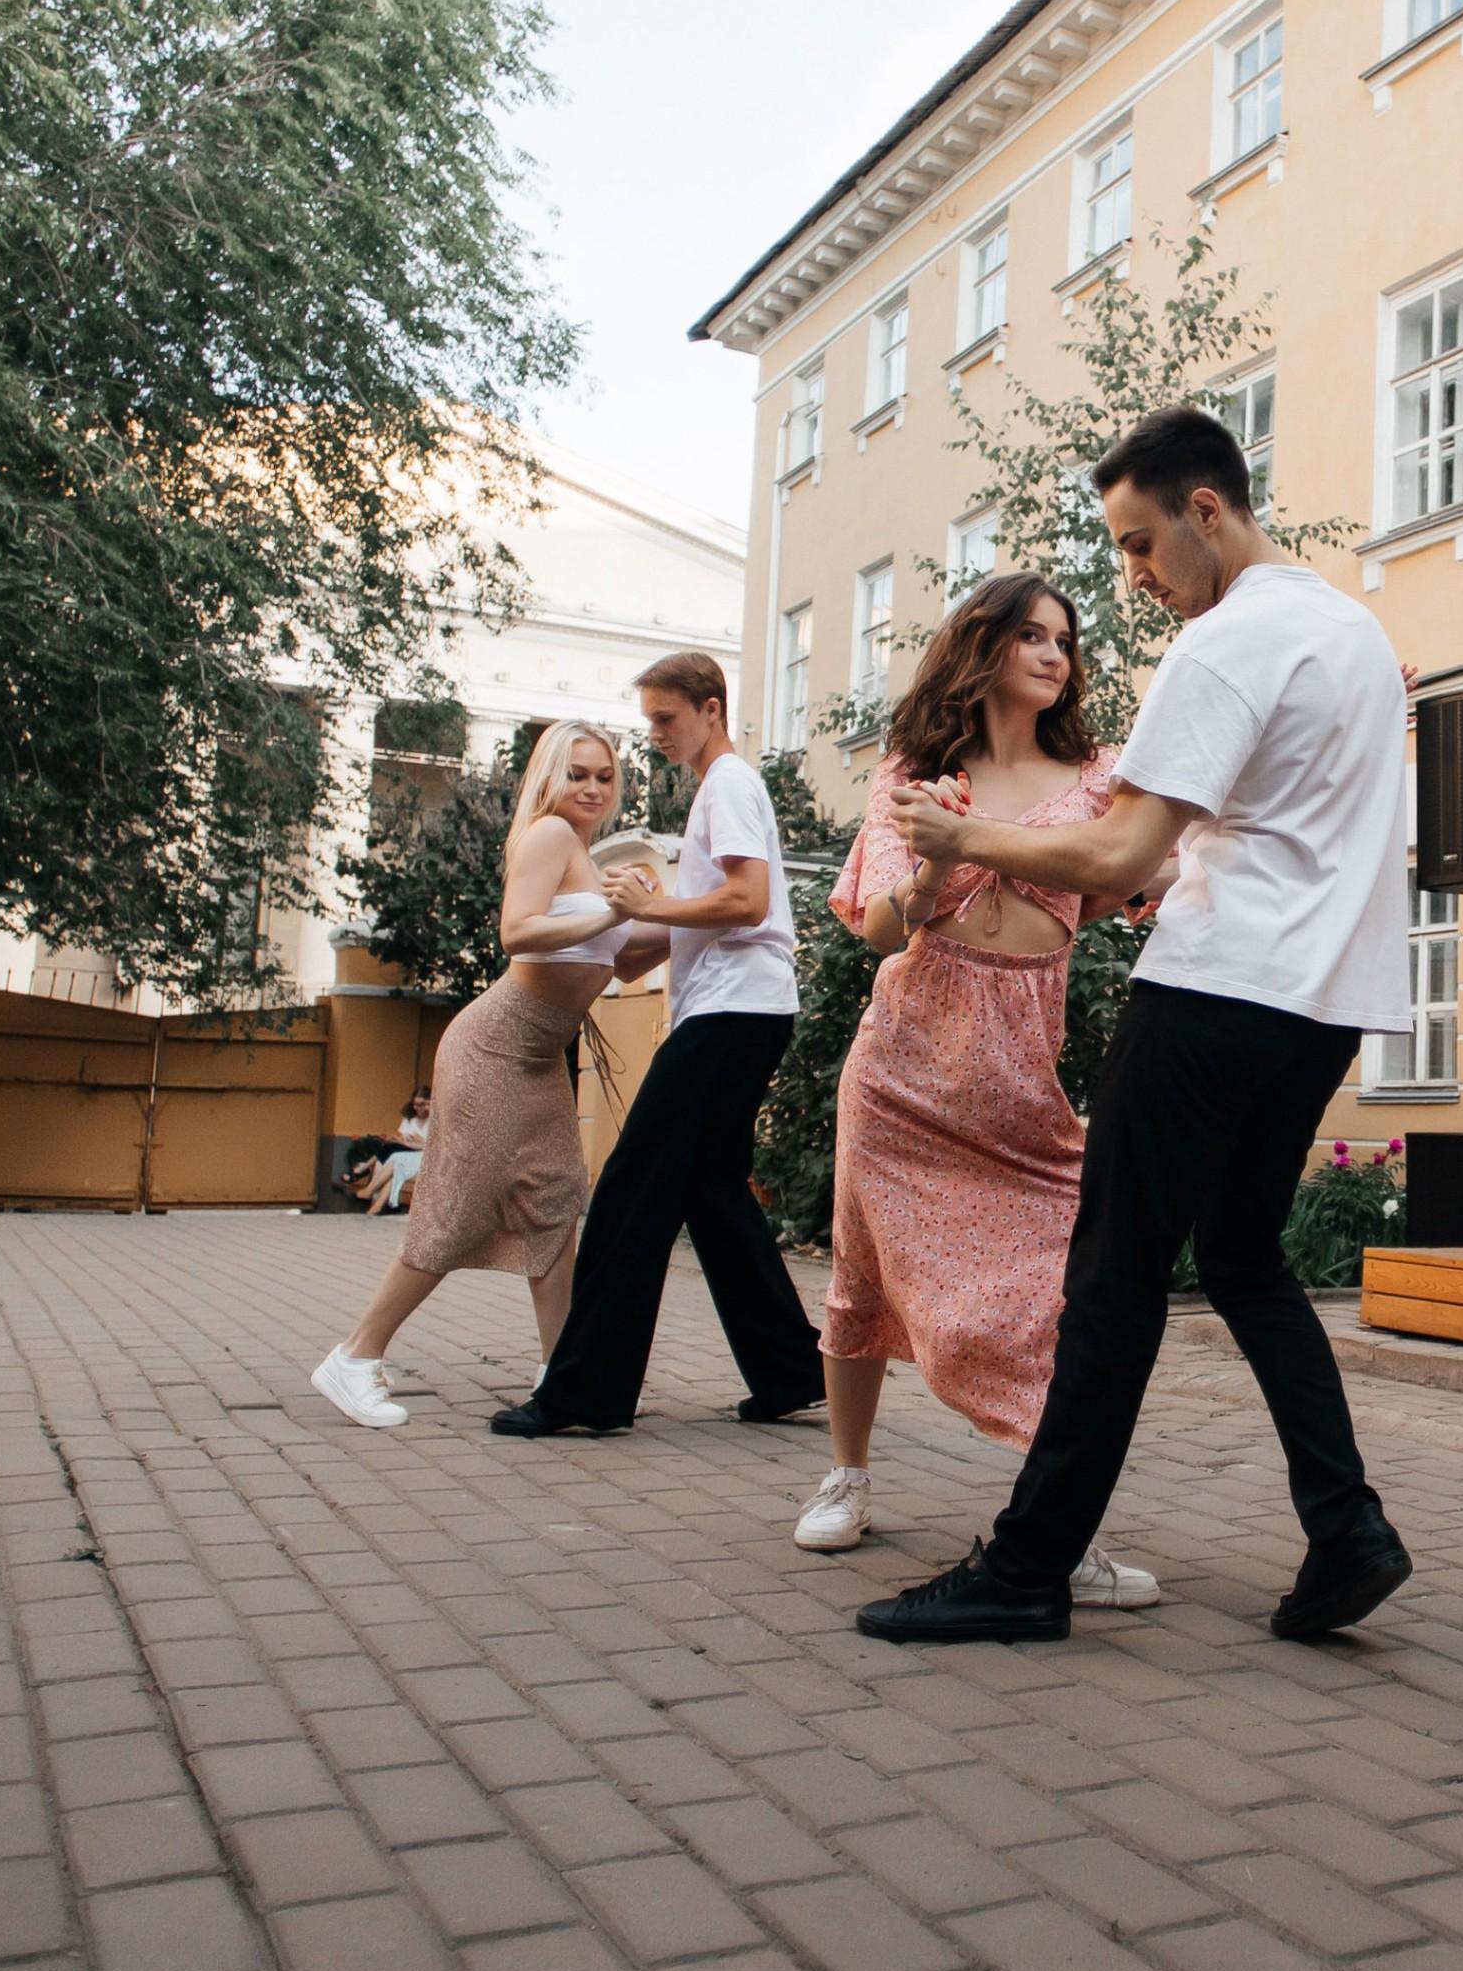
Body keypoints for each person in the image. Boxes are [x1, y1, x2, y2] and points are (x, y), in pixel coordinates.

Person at [854, 405, 1414, 1646]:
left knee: (1110, 1277)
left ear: (1206, 510)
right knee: (1245, 1257)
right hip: (1320, 1009)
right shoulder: (1357, 634)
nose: (1135, 576)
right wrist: (1130, 877)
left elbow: (1115, 842)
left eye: (1140, 543)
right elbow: (1253, 833)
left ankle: (1025, 1566)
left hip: (1215, 993)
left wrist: (962, 837)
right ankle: (1347, 1531)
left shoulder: (1220, 647)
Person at [792, 571, 1163, 1613]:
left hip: (1017, 1066)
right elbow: (872, 923)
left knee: (1060, 1291)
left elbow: (1133, 878)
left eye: (1066, 639)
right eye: (1033, 635)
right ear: (983, 646)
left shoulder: (1099, 776)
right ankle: (848, 1472)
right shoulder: (913, 773)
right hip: (907, 1058)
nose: (1055, 653)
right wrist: (921, 873)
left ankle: (1051, 1526)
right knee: (860, 1281)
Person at [490, 653, 824, 1437]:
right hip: (741, 1008)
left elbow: (747, 900)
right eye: (650, 721)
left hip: (733, 1013)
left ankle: (584, 1393)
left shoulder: (731, 783)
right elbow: (683, 928)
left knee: (630, 1191)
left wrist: (655, 904)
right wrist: (619, 934)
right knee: (710, 1193)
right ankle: (790, 1372)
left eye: (666, 719)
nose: (657, 735)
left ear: (712, 708)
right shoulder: (721, 789)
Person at [310, 726, 640, 1429]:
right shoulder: (550, 836)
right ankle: (355, 1355)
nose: (592, 788)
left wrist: (697, 912)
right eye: (578, 773)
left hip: (540, 1054)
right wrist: (618, 910)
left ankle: (562, 1377)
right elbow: (517, 932)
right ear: (551, 777)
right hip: (495, 1046)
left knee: (554, 1202)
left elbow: (629, 960)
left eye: (604, 776)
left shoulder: (586, 855)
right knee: (457, 1206)